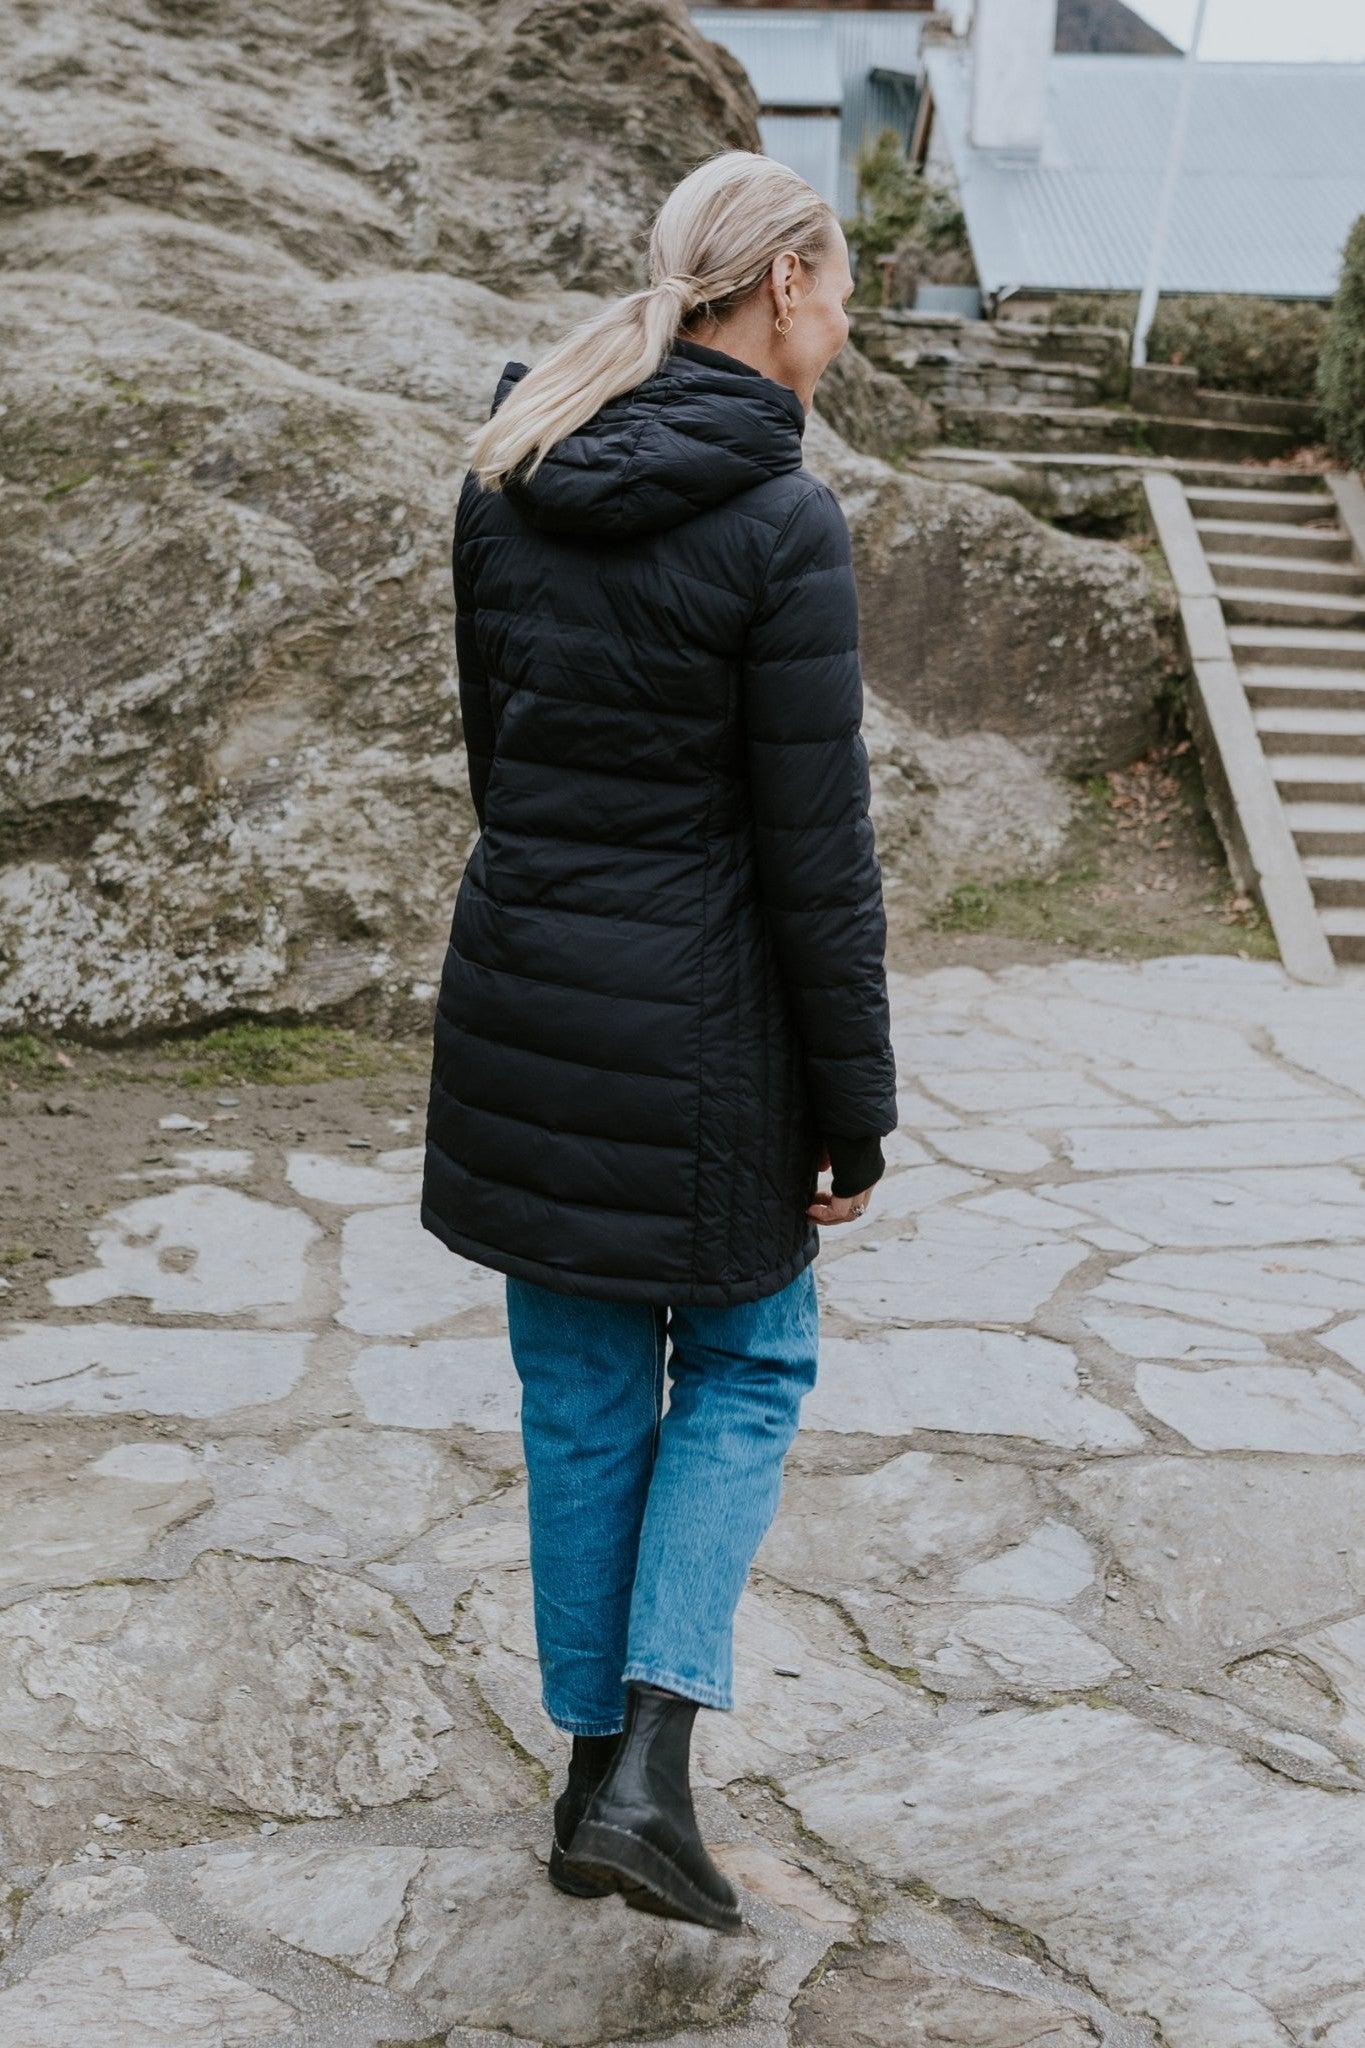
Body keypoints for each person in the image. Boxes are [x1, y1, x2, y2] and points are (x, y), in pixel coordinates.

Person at [422, 150, 897, 1933]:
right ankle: (646, 1774)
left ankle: (583, 1780)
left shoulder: (509, 464)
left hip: (525, 1003)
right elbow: (814, 858)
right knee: (754, 1364)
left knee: (583, 1395)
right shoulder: (779, 522)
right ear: (777, 283)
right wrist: (853, 1111)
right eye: (839, 287)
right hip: (708, 1035)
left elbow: (500, 766)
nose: (841, 323)